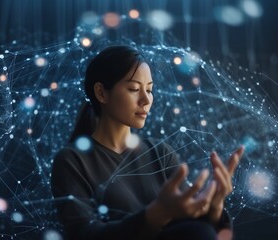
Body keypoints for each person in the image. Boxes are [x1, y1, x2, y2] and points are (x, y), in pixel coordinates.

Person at [51, 45, 244, 240]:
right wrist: (154, 216)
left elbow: (193, 225)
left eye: (150, 89)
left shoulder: (160, 153)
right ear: (101, 93)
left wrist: (215, 206)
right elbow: (84, 234)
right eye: (134, 89)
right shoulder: (72, 161)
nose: (146, 100)